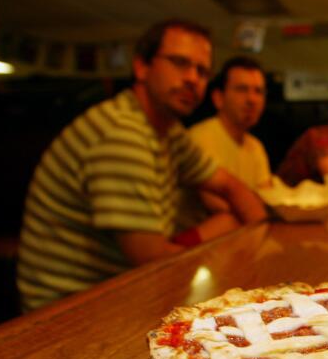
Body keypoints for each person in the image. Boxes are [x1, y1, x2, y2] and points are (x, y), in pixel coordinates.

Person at [16, 19, 267, 310]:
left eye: (201, 71)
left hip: (117, 292)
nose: (191, 78)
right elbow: (153, 262)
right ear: (141, 67)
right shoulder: (123, 133)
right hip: (64, 314)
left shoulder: (168, 132)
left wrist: (261, 250)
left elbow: (230, 186)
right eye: (179, 63)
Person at [185, 56, 271, 223]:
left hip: (240, 237)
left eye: (258, 91)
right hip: (198, 244)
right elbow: (218, 206)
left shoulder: (255, 146)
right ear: (218, 98)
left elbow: (266, 198)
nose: (252, 99)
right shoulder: (199, 139)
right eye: (242, 89)